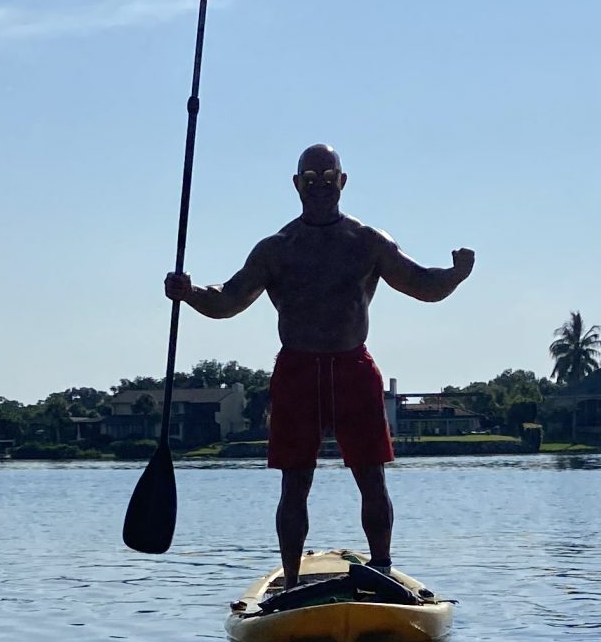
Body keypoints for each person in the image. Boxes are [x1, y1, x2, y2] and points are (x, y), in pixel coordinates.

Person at [166, 144, 474, 595]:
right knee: (295, 482)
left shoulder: (367, 241)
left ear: (343, 182)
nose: (320, 187)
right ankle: (291, 580)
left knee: (372, 475)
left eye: (328, 177)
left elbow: (420, 284)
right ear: (296, 185)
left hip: (352, 366)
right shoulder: (276, 249)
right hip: (297, 370)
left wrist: (456, 274)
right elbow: (229, 298)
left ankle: (383, 566)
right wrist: (190, 292)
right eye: (310, 179)